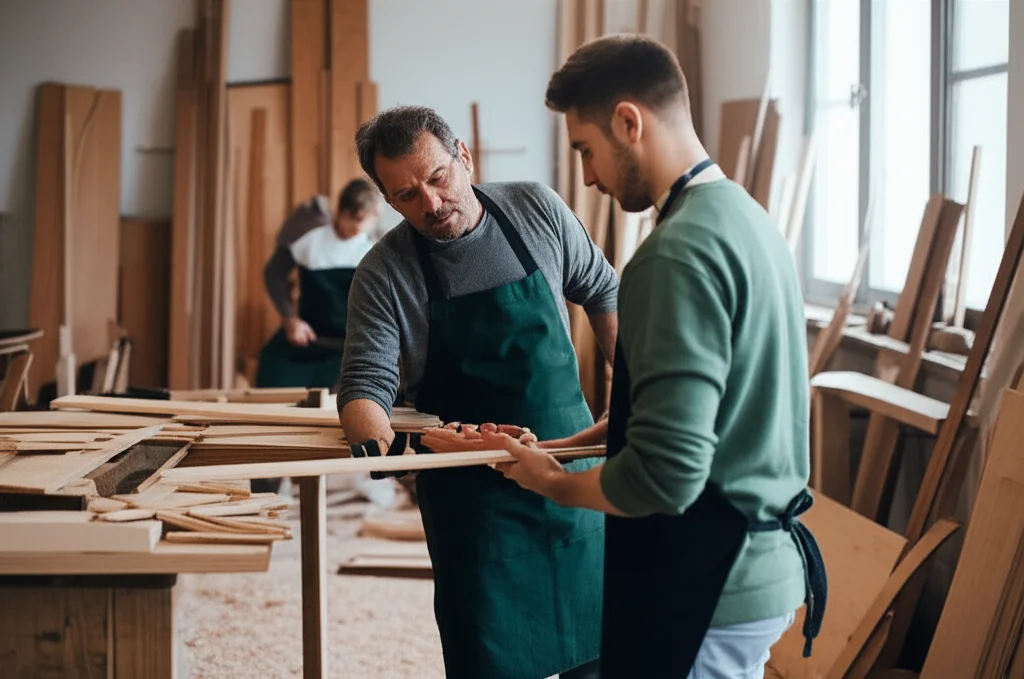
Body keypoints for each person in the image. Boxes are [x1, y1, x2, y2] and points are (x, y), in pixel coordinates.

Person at [483, 34, 827, 679]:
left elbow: (666, 477)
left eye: (585, 149)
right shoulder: (744, 218)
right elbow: (705, 415)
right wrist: (561, 446)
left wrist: (552, 484)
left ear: (628, 121)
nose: (586, 176)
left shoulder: (675, 253)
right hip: (759, 565)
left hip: (713, 583)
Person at [338, 105, 618, 679]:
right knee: (491, 656)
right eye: (407, 196)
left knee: (602, 654)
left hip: (571, 472)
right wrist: (383, 449)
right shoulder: (384, 273)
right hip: (475, 507)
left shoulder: (535, 208)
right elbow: (365, 386)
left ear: (463, 156)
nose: (432, 204)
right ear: (388, 202)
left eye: (438, 178)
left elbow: (603, 289)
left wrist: (639, 394)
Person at [255, 178, 381, 390]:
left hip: (350, 345)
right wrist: (290, 319)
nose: (362, 227)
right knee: (272, 366)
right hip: (308, 339)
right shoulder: (309, 240)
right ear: (343, 213)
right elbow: (273, 273)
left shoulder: (373, 251)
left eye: (369, 220)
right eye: (358, 220)